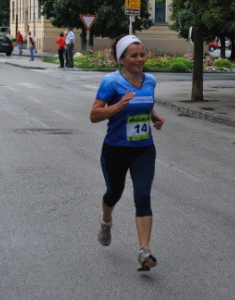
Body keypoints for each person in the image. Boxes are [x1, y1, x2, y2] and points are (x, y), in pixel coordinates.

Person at [89, 34, 165, 272]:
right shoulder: (110, 82)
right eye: (134, 55)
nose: (140, 59)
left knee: (143, 196)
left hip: (143, 148)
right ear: (121, 59)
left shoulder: (150, 80)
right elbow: (94, 115)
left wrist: (155, 117)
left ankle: (144, 251)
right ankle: (106, 221)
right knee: (114, 192)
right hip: (115, 149)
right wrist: (118, 106)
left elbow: (145, 102)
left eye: (142, 54)